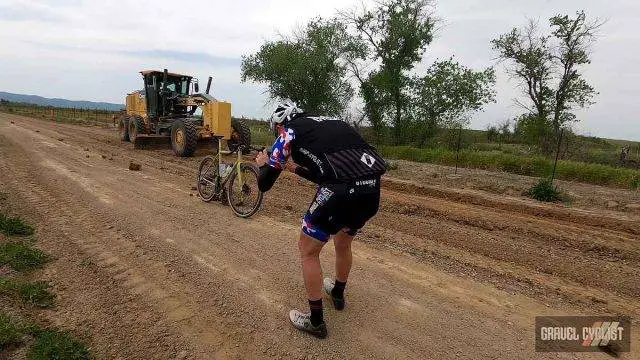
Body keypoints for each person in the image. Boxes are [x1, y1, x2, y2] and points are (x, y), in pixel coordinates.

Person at [255, 100, 386, 339]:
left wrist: (265, 164)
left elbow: (264, 184)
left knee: (308, 251)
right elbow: (328, 171)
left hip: (340, 192)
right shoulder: (333, 122)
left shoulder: (289, 132)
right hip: (371, 190)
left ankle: (315, 322)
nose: (277, 134)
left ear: (280, 124)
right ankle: (337, 293)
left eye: (276, 130)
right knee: (343, 242)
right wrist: (292, 169)